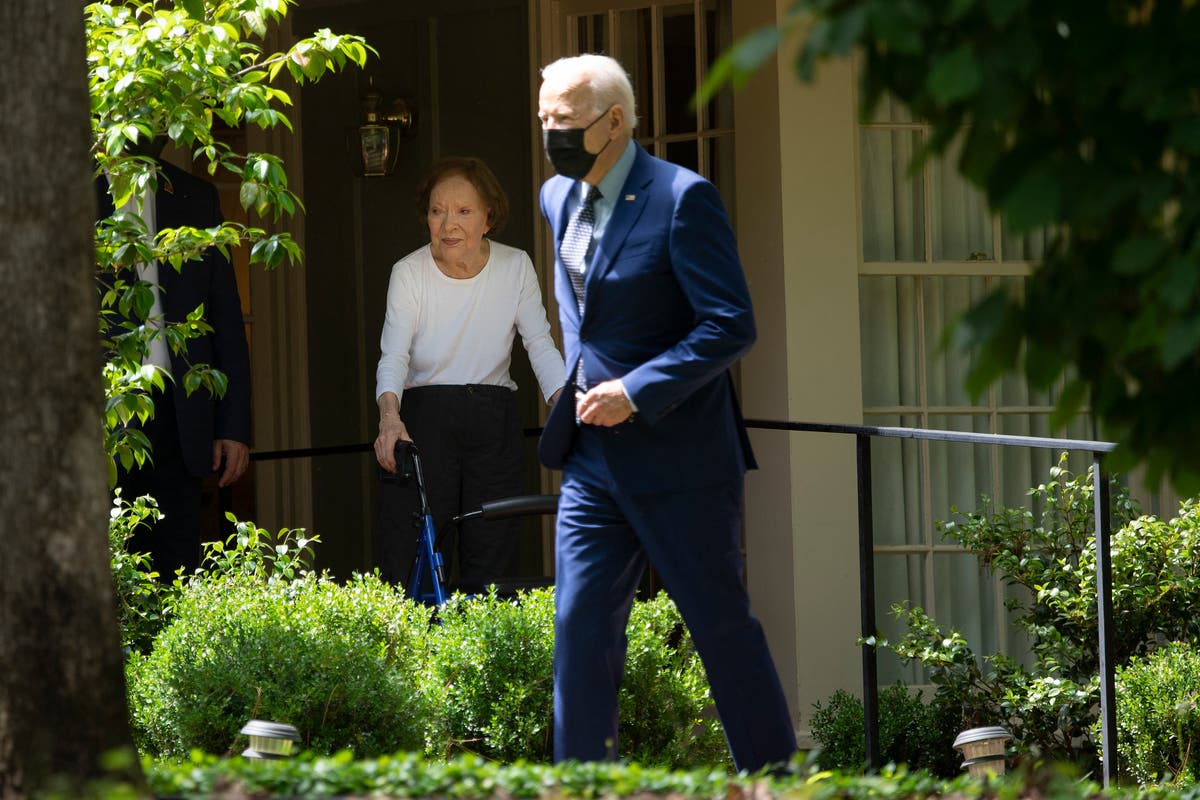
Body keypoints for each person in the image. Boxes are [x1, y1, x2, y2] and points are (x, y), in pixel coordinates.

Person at [536, 54, 798, 773]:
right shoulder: (556, 198)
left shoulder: (683, 199)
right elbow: (581, 316)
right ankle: (586, 786)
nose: (552, 135)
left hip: (682, 460)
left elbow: (730, 324)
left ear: (614, 122)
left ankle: (774, 782)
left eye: (565, 122)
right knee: (580, 630)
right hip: (591, 460)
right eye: (544, 121)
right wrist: (581, 384)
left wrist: (638, 390)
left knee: (721, 630)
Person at [374, 156, 565, 593]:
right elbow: (393, 356)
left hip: (493, 420)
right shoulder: (408, 272)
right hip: (424, 421)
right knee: (414, 553)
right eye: (438, 211)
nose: (448, 224)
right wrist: (390, 418)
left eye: (463, 211)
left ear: (488, 217)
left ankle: (484, 660)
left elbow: (539, 344)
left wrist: (564, 405)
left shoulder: (515, 266)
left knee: (493, 554)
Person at [99, 157, 252, 579]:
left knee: (175, 569)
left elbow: (225, 318)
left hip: (180, 413)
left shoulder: (195, 196)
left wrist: (234, 424)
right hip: (102, 415)